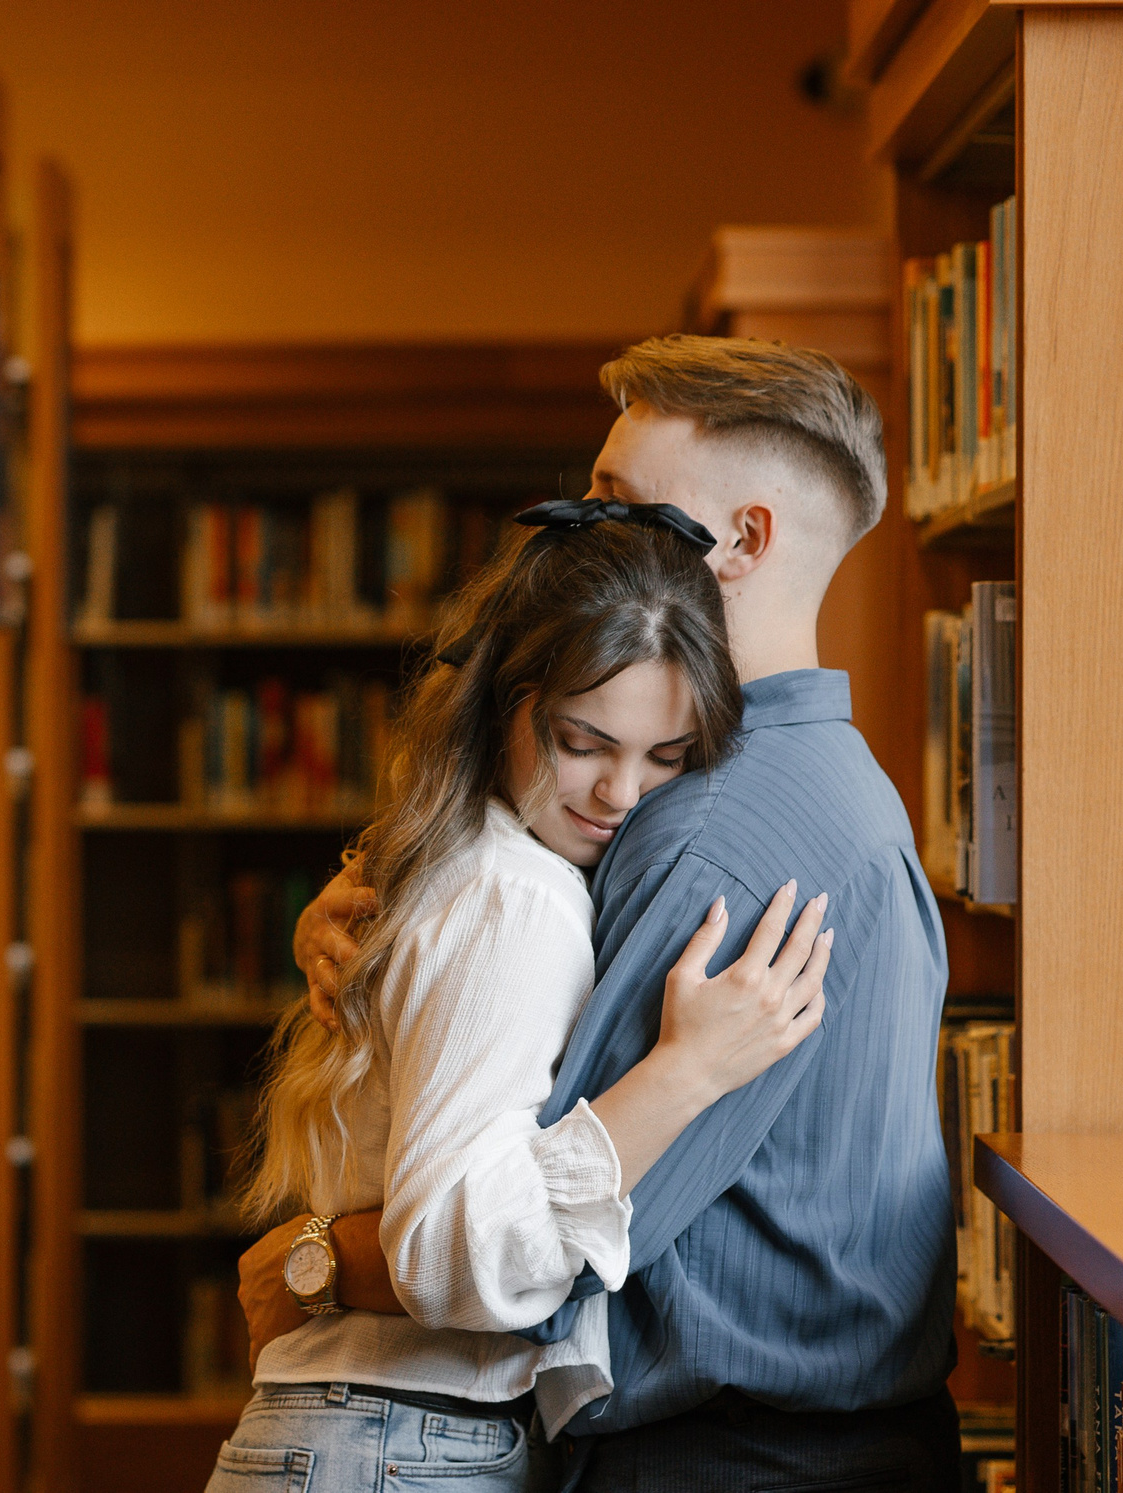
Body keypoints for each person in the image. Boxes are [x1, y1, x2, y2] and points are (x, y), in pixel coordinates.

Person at [241, 335, 959, 1489]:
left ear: (740, 540)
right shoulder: (833, 782)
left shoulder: (709, 835)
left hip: (724, 1461)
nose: (584, 530)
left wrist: (316, 1262)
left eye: (618, 505)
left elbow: (524, 1246)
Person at [207, 508, 834, 1493]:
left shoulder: (468, 862)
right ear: (508, 702)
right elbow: (455, 1253)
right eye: (584, 741)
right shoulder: (520, 895)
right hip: (402, 1439)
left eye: (665, 756)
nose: (621, 791)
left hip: (371, 1433)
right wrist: (685, 1072)